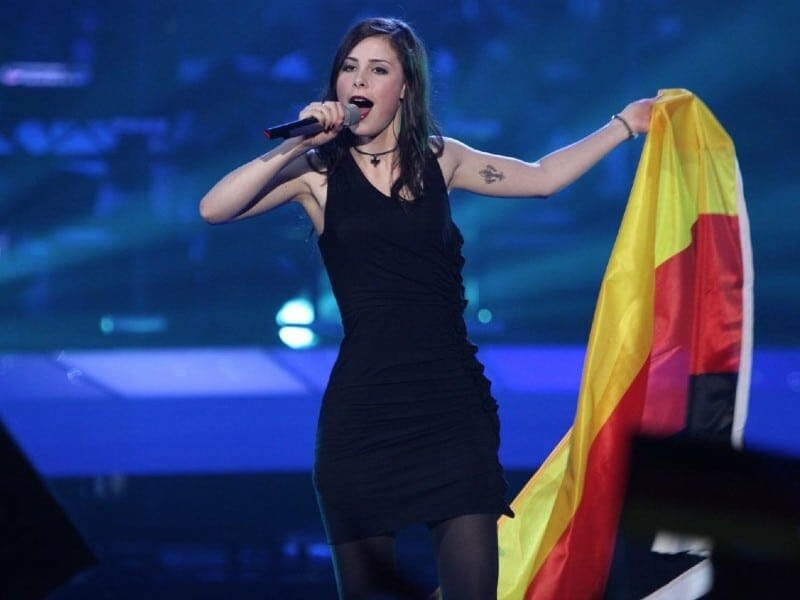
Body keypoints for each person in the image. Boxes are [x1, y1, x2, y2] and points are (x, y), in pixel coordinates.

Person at [200, 16, 654, 600]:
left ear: (404, 89)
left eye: (378, 69)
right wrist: (299, 142)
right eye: (349, 67)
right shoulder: (316, 172)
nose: (358, 79)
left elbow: (541, 179)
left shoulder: (444, 159)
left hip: (451, 412)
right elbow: (215, 209)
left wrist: (623, 125)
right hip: (362, 420)